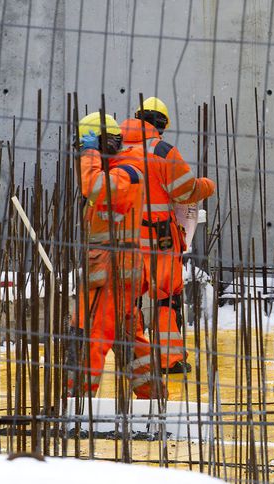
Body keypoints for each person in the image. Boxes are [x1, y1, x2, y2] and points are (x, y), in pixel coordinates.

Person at [67, 111, 165, 399]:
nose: (84, 154)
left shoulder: (127, 173)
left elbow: (92, 186)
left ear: (105, 144)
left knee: (90, 336)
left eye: (89, 145)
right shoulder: (117, 172)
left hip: (111, 272)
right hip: (111, 271)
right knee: (129, 340)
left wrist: (90, 155)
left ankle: (78, 403)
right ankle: (153, 397)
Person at [118, 97, 215, 374]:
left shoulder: (114, 148)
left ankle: (133, 359)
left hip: (122, 238)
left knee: (128, 300)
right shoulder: (161, 150)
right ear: (161, 124)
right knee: (166, 299)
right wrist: (207, 186)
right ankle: (168, 360)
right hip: (157, 240)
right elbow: (185, 191)